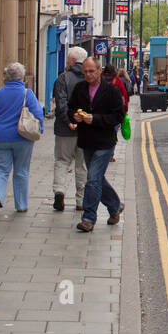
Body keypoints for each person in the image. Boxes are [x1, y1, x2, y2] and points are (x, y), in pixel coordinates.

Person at [69, 57, 125, 232]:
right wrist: (74, 117)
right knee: (97, 179)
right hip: (87, 141)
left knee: (92, 179)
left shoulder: (111, 91)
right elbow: (70, 108)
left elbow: (118, 116)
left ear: (100, 71)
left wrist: (96, 119)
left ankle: (88, 218)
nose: (88, 74)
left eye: (91, 71)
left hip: (105, 142)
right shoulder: (79, 89)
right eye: (85, 71)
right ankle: (115, 206)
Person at [0, 62, 45, 215]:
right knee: (21, 171)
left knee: (0, 169)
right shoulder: (27, 94)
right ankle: (21, 205)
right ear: (22, 77)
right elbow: (38, 114)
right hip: (22, 137)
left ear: (6, 76)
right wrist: (40, 129)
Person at [51, 46, 89, 212]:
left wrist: (68, 121)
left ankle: (59, 190)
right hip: (84, 129)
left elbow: (61, 103)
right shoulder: (90, 79)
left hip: (64, 130)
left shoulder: (62, 78)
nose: (66, 63)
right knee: (82, 166)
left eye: (67, 60)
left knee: (62, 161)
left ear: (72, 61)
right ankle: (81, 201)